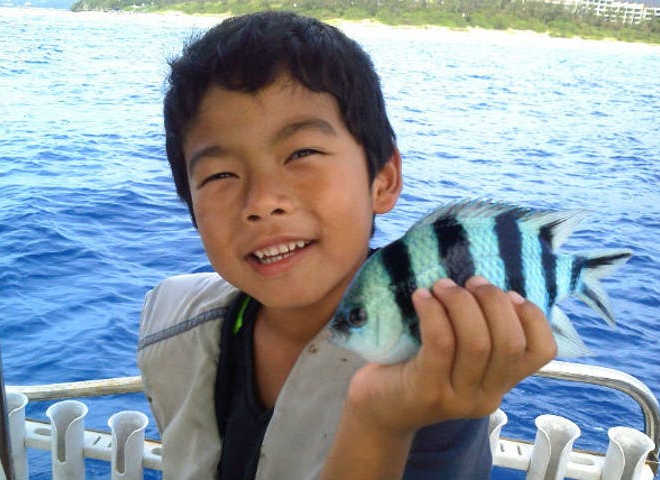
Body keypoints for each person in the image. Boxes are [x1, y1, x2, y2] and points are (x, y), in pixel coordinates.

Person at [137, 10, 556, 480]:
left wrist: (382, 423)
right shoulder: (176, 325)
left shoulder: (433, 361)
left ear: (383, 180)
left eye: (302, 153)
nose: (262, 202)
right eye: (219, 175)